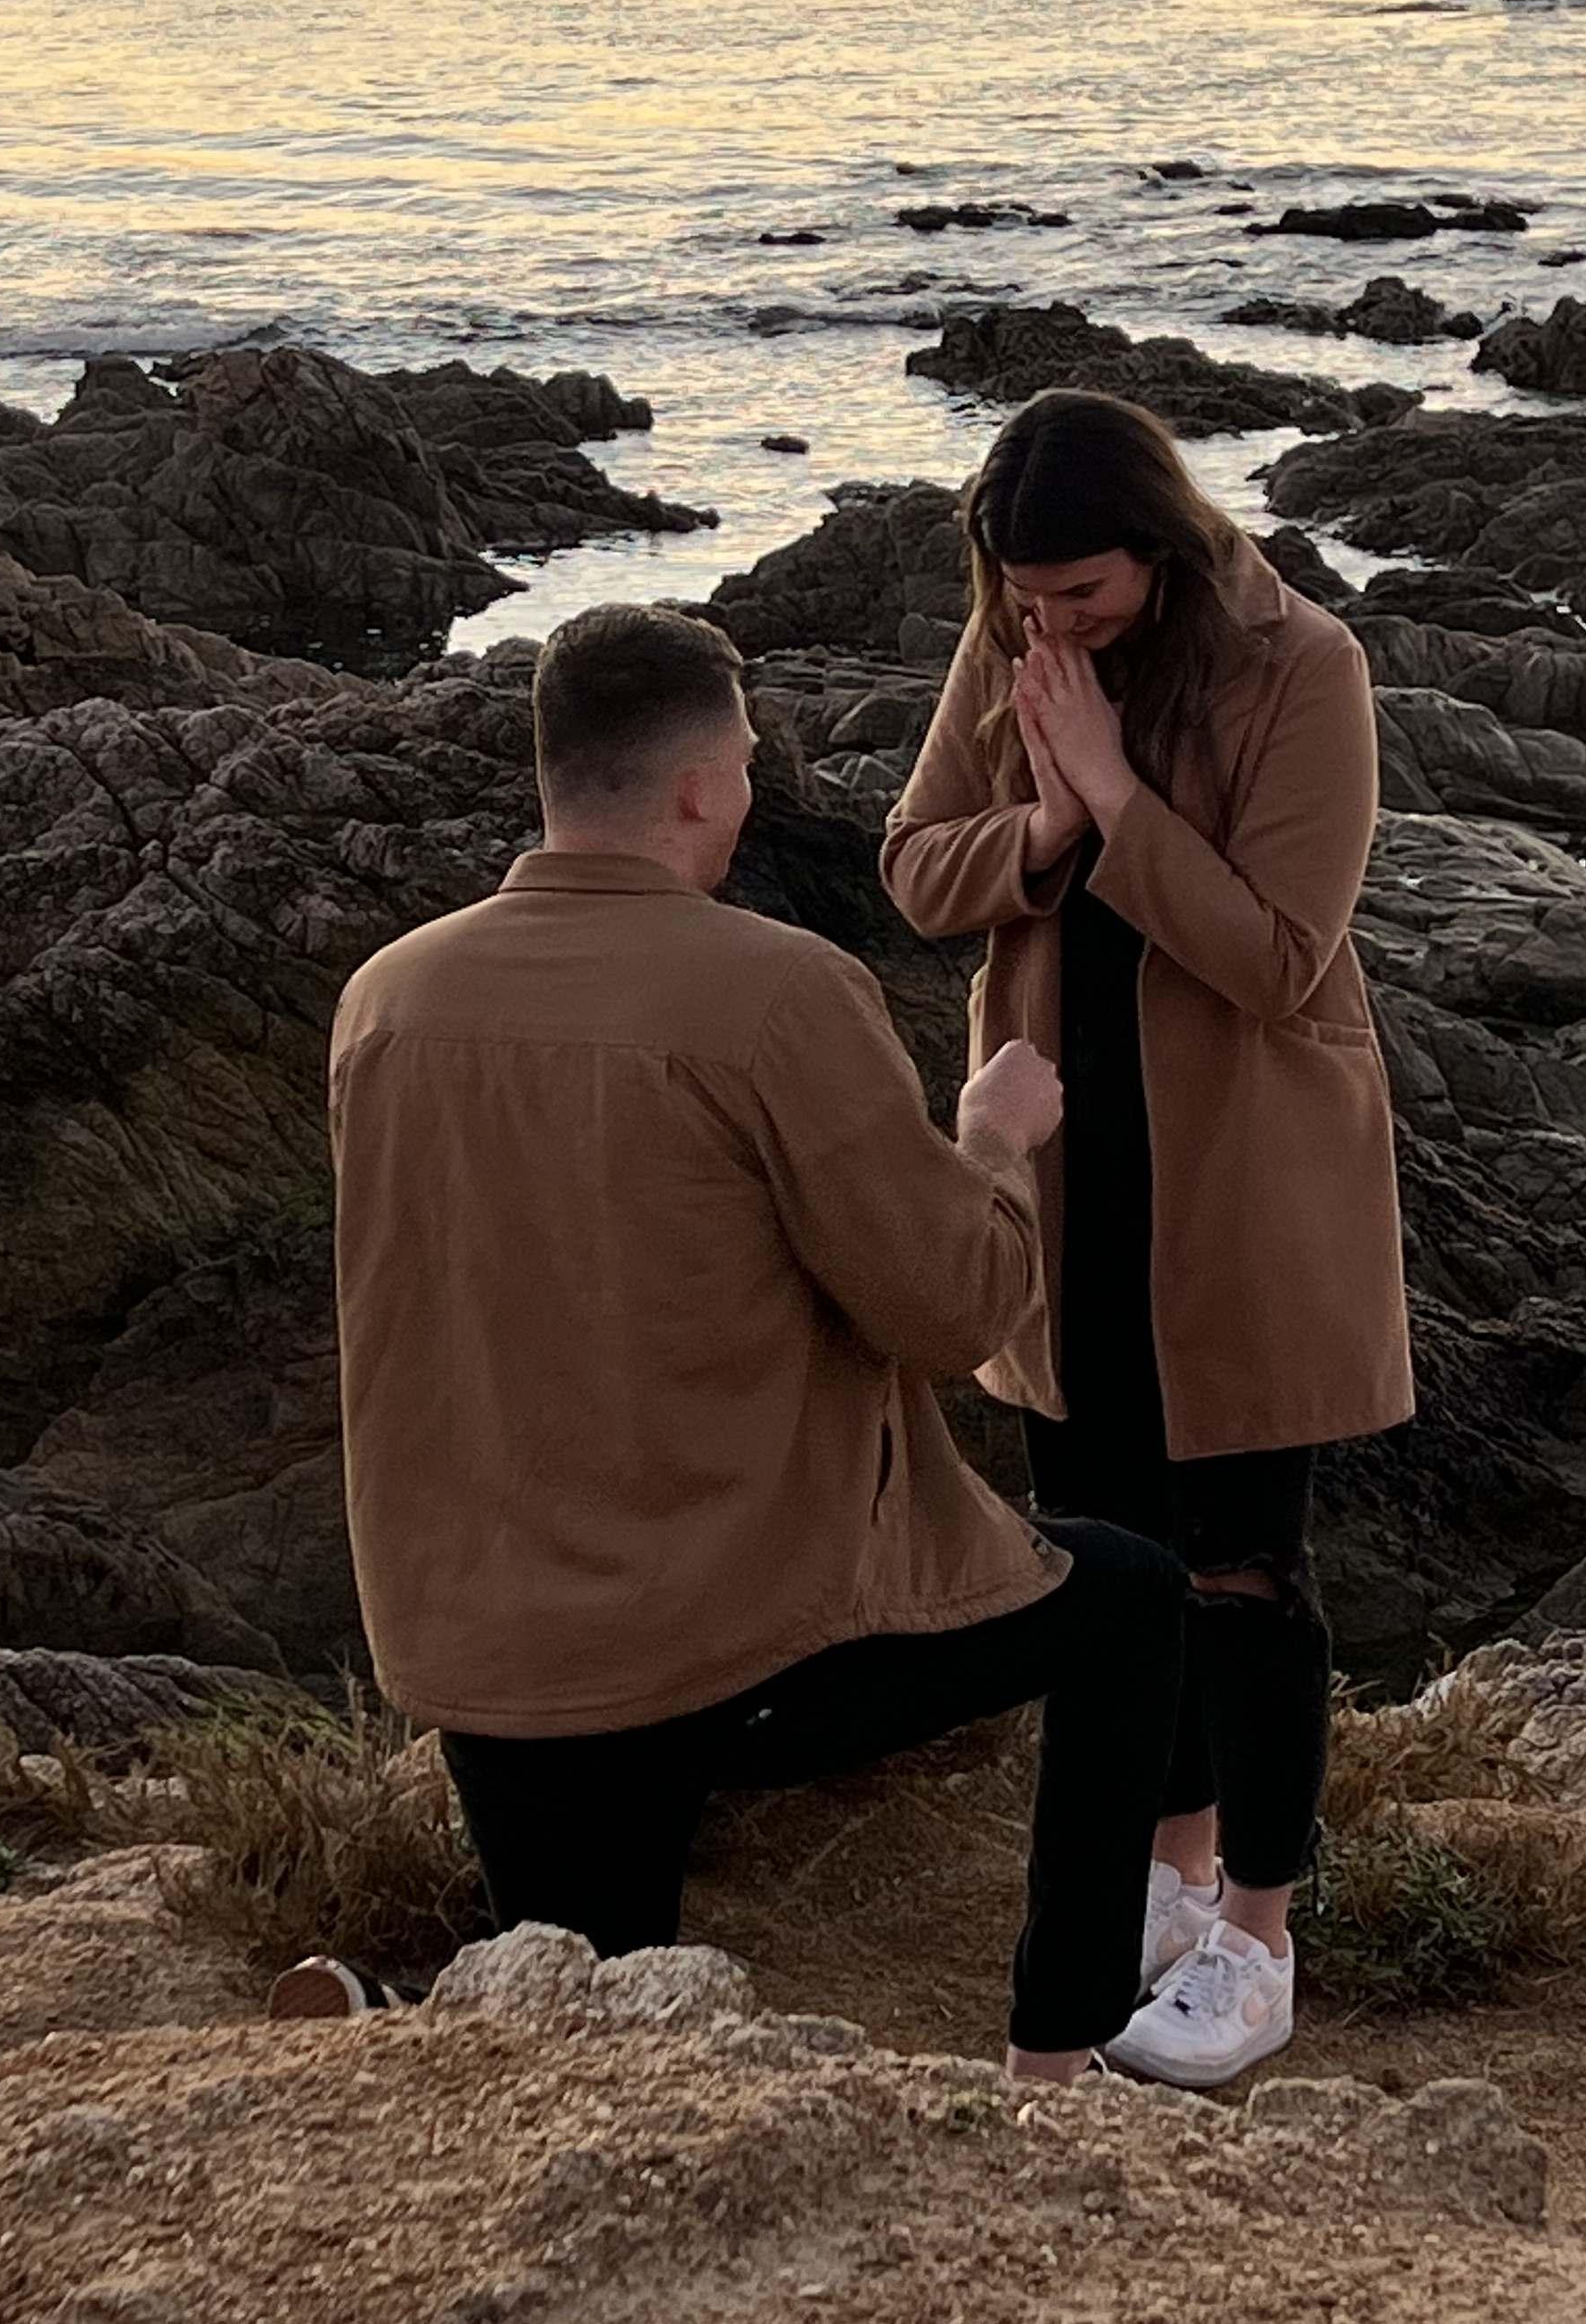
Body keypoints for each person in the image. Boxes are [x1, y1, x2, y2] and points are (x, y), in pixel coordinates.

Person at [321, 603, 1185, 2083]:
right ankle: (1061, 2055)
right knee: (1132, 1600)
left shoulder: (385, 1001)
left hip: (474, 1640)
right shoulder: (775, 992)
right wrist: (989, 1142)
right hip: (713, 1639)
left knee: (600, 2002)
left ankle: (399, 2031)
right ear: (704, 787)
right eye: (744, 763)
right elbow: (951, 1310)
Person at [881, 390, 1413, 2088]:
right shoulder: (1010, 636)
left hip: (1244, 1174)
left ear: (1164, 552)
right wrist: (1040, 826)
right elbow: (914, 871)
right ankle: (1171, 1885)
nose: (1051, 630)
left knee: (1246, 1568)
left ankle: (1260, 1929)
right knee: (1107, 1559)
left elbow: (1280, 953)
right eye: (1029, 603)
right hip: (1059, 1166)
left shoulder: (1302, 664)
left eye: (1084, 601)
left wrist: (1108, 791)